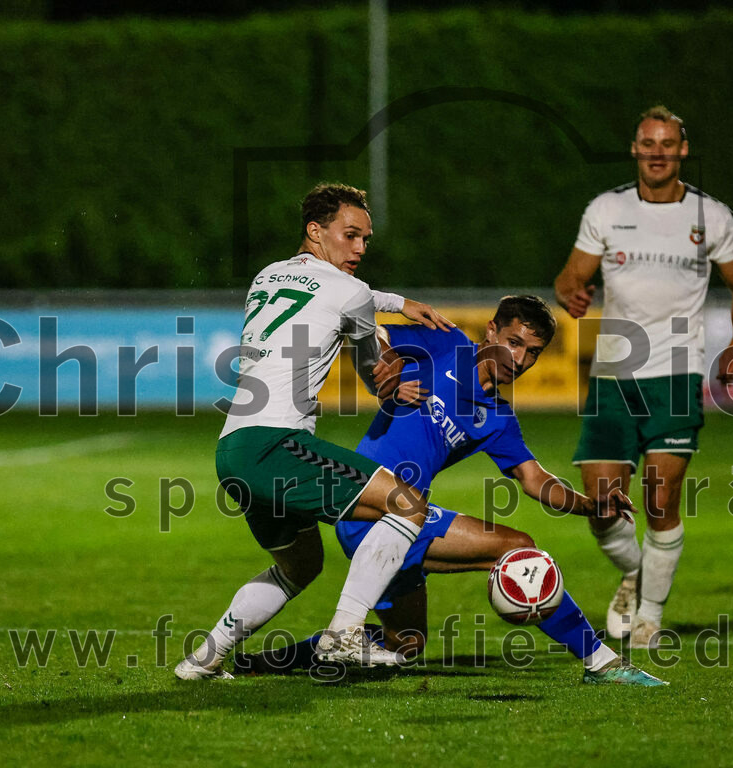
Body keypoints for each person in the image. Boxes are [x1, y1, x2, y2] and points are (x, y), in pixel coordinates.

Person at [236, 296, 666, 685]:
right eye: (513, 342)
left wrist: (590, 505)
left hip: (405, 522)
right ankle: (602, 662)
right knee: (518, 548)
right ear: (491, 330)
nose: (520, 359)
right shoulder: (447, 344)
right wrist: (386, 366)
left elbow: (535, 480)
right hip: (371, 508)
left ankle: (270, 662)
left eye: (533, 352)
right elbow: (375, 331)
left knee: (404, 645)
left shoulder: (497, 417)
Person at [174, 182, 456, 679]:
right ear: (316, 230)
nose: (361, 248)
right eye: (351, 235)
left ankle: (206, 659)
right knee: (407, 504)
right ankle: (344, 633)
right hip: (276, 443)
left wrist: (394, 305)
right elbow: (373, 363)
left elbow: (340, 295)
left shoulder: (268, 275)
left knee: (300, 566)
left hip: (232, 449)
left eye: (366, 239)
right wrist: (390, 373)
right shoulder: (352, 293)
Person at [553, 105, 733, 649]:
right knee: (601, 506)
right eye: (648, 143)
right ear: (635, 148)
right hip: (613, 375)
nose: (657, 152)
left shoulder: (710, 216)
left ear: (682, 150)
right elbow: (570, 276)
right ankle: (636, 571)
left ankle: (648, 615)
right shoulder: (606, 209)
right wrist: (571, 293)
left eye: (667, 144)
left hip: (674, 373)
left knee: (658, 501)